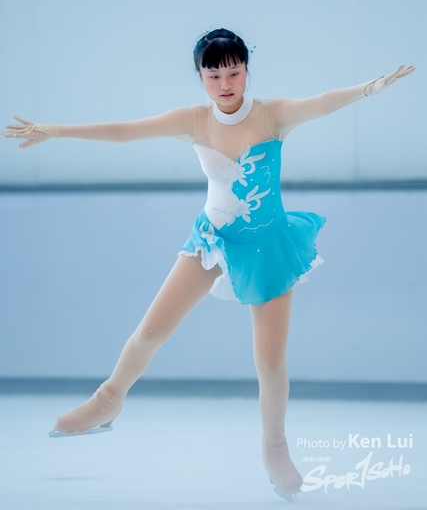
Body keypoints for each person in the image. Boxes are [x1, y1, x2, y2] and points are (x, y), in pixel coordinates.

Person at [1, 29, 415, 502]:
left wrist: (369, 88)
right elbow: (125, 131)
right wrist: (56, 130)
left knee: (270, 363)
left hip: (266, 247)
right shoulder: (194, 120)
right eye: (213, 75)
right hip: (212, 240)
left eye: (233, 72)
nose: (225, 84)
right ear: (200, 76)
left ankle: (275, 447)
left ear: (246, 70)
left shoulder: (272, 115)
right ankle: (107, 400)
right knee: (150, 332)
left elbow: (320, 103)